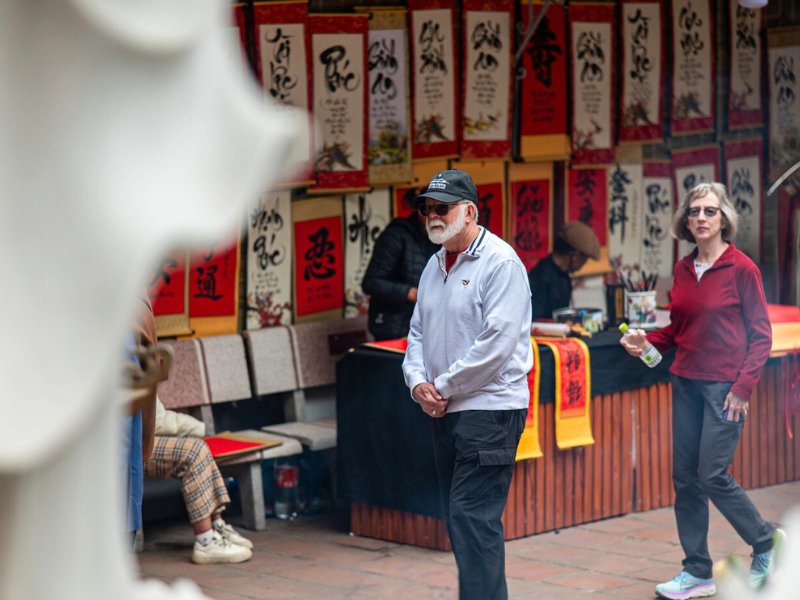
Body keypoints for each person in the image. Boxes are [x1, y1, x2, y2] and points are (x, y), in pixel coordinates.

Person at [619, 182, 784, 599]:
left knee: (712, 474)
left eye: (710, 211)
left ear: (724, 219)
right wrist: (646, 342)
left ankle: (765, 542)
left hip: (725, 389)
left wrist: (743, 388)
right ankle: (696, 571)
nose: (702, 218)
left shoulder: (742, 269)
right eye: (694, 212)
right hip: (686, 384)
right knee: (686, 478)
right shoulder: (681, 269)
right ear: (685, 221)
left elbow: (761, 336)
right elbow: (678, 331)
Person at [402, 169, 533, 600]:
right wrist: (418, 382)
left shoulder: (501, 262)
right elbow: (417, 332)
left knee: (471, 518)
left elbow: (496, 344)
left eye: (443, 208)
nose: (433, 217)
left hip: (490, 407)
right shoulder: (434, 263)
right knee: (460, 519)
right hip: (445, 406)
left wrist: (442, 386)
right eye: (427, 210)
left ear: (470, 211)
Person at [144, 399, 254, 564]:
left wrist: (195, 430)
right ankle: (206, 542)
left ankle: (217, 525)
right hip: (122, 448)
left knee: (199, 444)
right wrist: (197, 428)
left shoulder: (138, 374)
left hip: (138, 438)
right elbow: (153, 423)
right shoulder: (127, 374)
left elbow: (156, 419)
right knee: (194, 451)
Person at [361, 211, 439, 340]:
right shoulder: (395, 236)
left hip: (426, 325)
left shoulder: (441, 238)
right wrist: (410, 292)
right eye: (427, 209)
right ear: (419, 211)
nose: (435, 216)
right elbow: (370, 283)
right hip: (393, 324)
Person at [528, 221, 600, 321]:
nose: (584, 264)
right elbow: (535, 319)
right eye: (585, 259)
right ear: (575, 255)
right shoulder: (541, 276)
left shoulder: (564, 276)